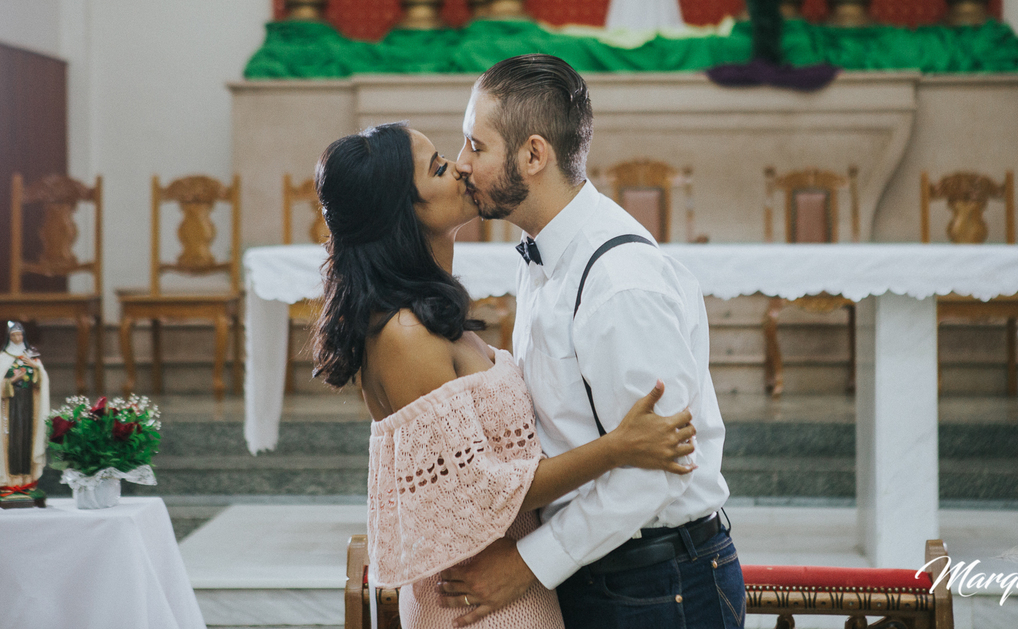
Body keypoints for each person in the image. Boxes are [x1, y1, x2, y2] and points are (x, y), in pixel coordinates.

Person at [312, 122, 699, 629]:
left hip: (505, 581)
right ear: (402, 211)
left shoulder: (423, 312)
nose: (461, 168)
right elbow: (482, 492)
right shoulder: (404, 336)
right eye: (438, 168)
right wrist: (619, 448)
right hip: (478, 598)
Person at [441, 54, 744, 628]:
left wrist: (528, 564)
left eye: (475, 147)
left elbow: (659, 468)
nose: (462, 166)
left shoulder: (618, 285)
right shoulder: (547, 255)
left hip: (657, 584)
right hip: (604, 568)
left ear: (534, 155)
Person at [0, 321, 50, 501]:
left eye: (20, 335)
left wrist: (35, 367)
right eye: (14, 335)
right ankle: (11, 480)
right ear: (9, 337)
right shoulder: (2, 357)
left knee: (27, 438)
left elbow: (41, 380)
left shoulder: (31, 356)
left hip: (29, 403)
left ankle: (27, 480)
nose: (17, 338)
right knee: (13, 440)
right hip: (10, 407)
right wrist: (12, 379)